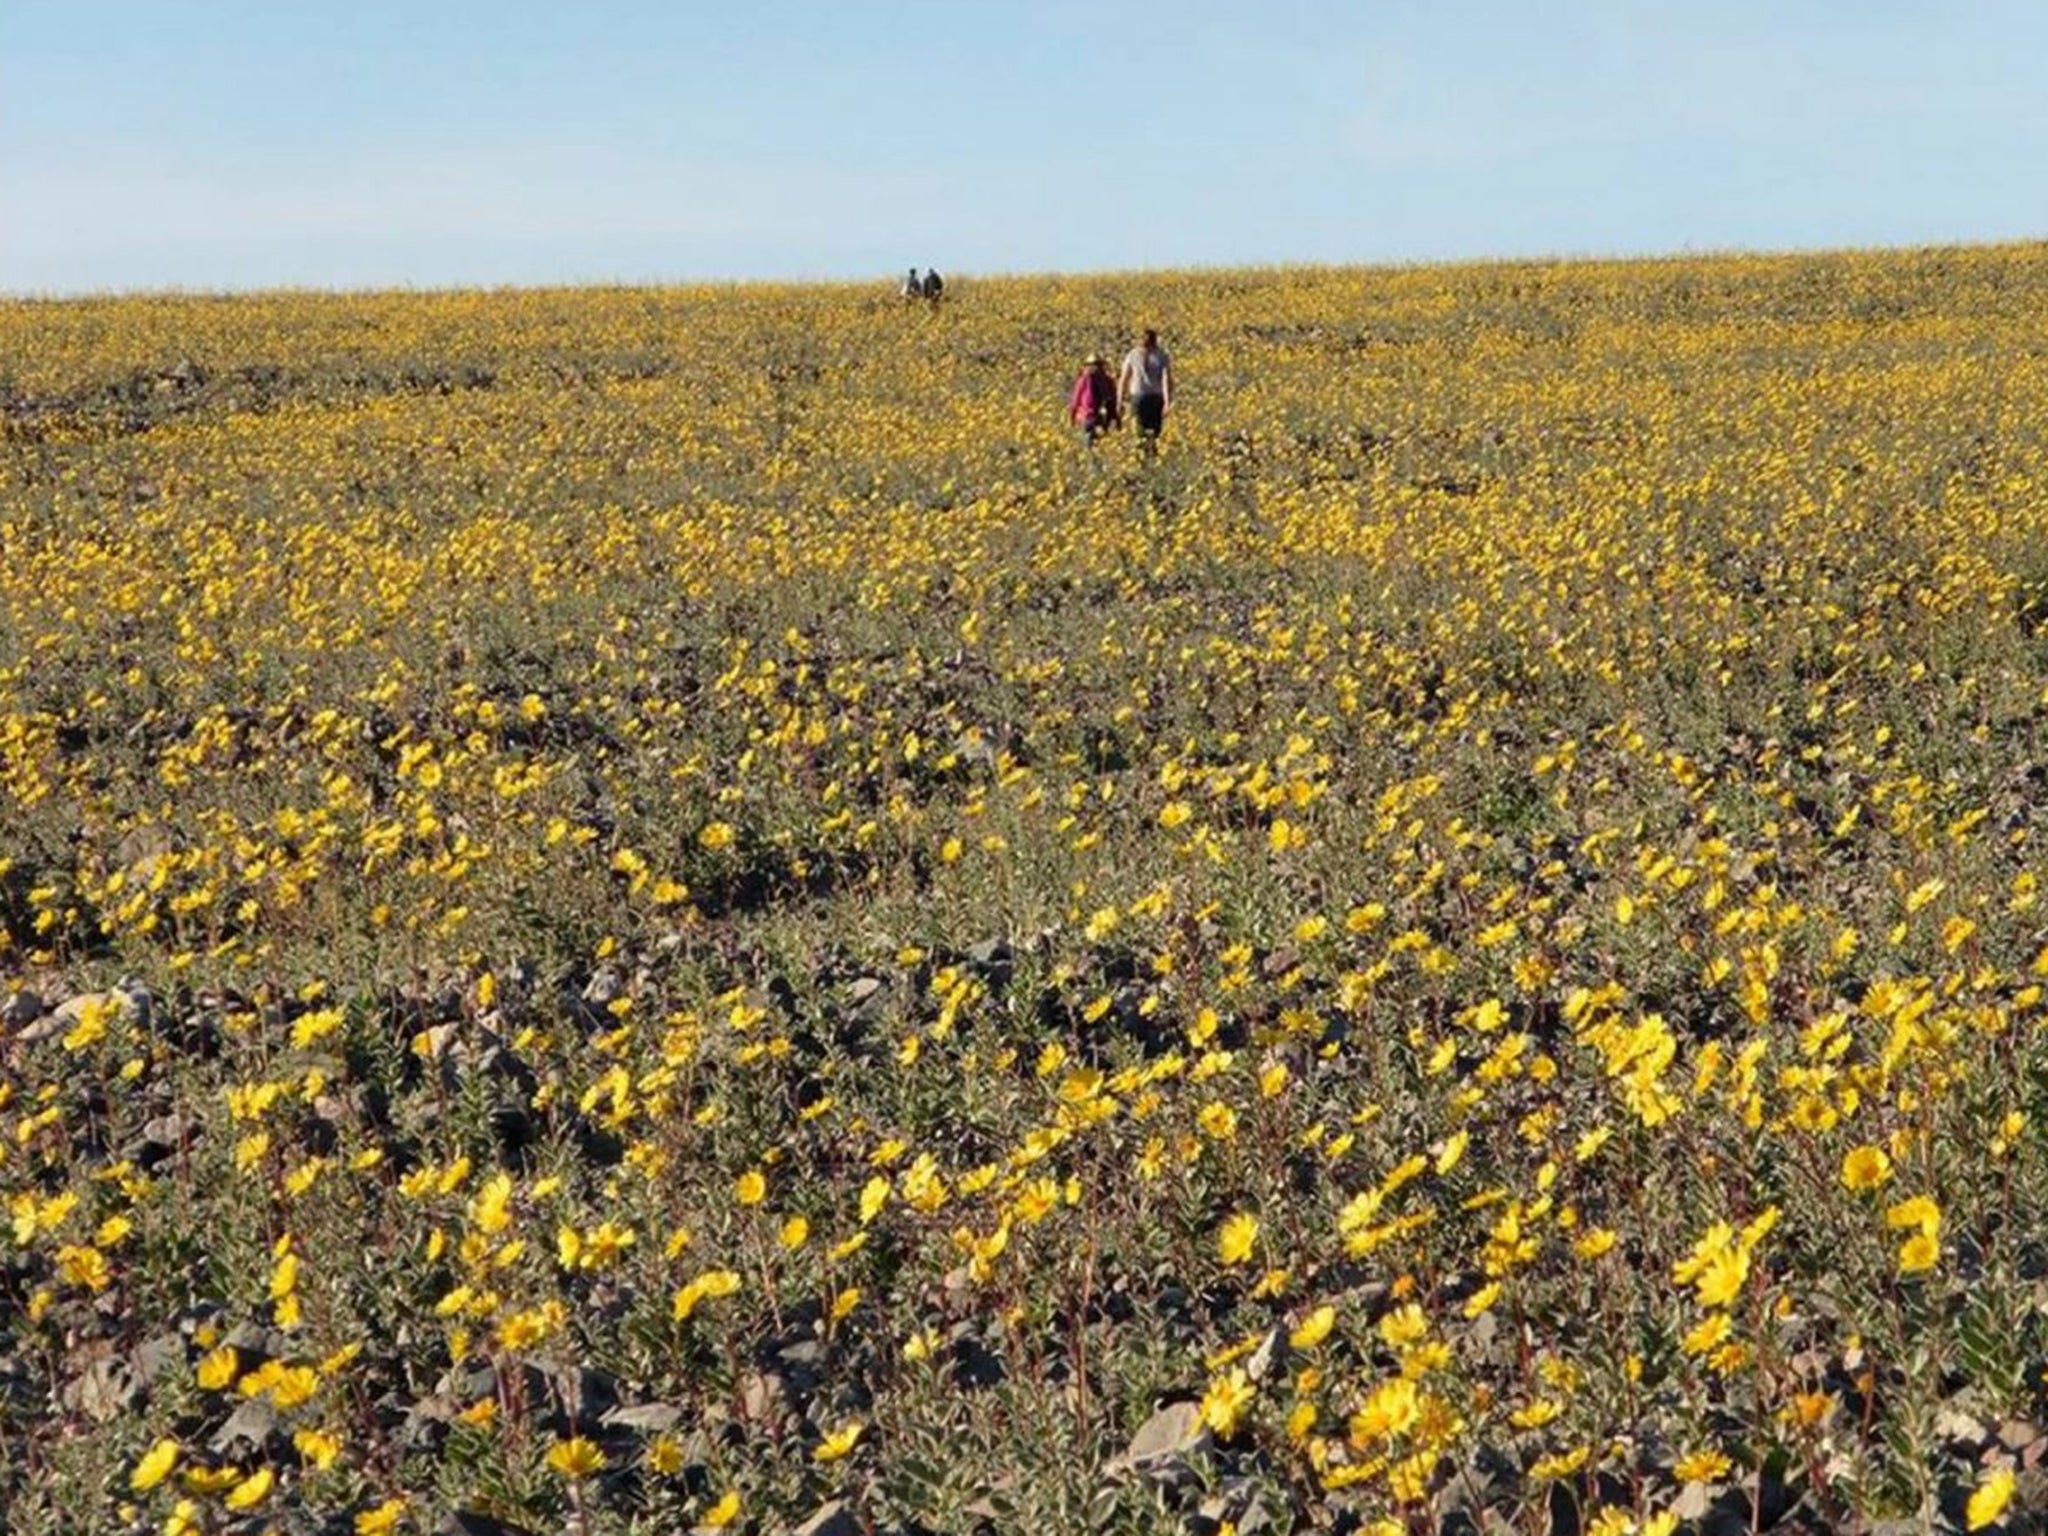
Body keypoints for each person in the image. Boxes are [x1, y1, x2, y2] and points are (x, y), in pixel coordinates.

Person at [1118, 328, 1172, 450]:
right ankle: (1152, 456)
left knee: (1140, 430)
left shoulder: (1132, 354)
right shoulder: (1162, 355)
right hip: (1156, 397)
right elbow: (1166, 380)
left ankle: (1142, 458)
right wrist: (1167, 402)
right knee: (1154, 431)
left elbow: (1123, 379)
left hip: (1138, 397)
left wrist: (1119, 401)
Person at [1068, 353, 1121, 444]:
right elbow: (1113, 400)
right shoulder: (1107, 380)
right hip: (1103, 418)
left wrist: (1072, 417)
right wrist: (1116, 418)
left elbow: (1075, 400)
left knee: (1089, 445)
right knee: (1101, 444)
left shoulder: (1083, 379)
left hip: (1087, 417)